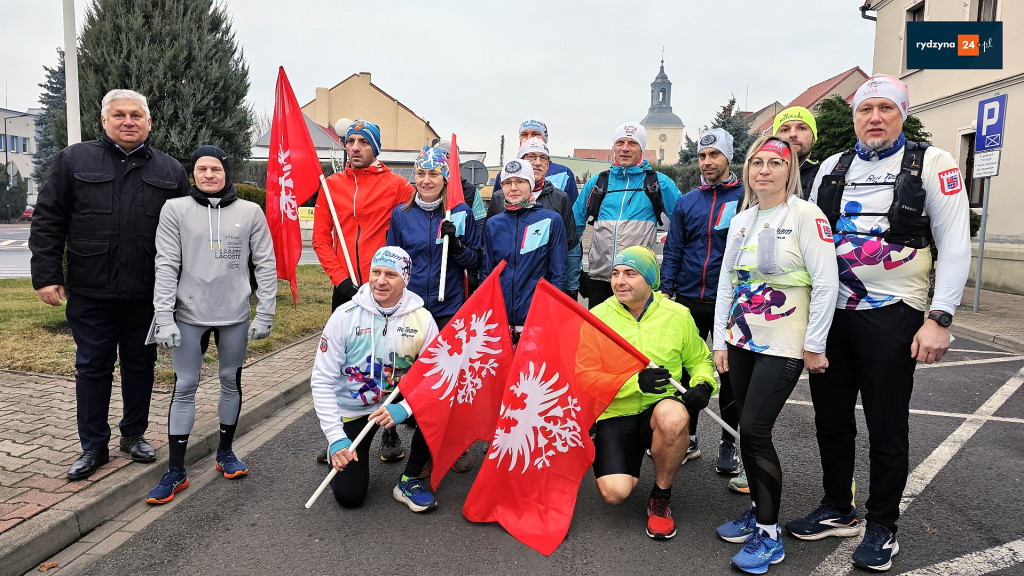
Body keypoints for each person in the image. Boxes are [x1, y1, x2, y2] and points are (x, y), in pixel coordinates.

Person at [788, 74, 971, 572]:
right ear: (854, 118)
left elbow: (955, 245)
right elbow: (808, 240)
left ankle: (882, 524)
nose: (875, 118)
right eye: (866, 110)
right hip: (831, 314)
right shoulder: (831, 165)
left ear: (902, 114)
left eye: (886, 109)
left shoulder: (934, 163)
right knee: (830, 419)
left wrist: (940, 318)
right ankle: (837, 507)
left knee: (886, 424)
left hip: (895, 313)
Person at [29, 89, 191, 480]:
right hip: (91, 288)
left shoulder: (170, 172)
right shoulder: (74, 160)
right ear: (104, 121)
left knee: (141, 365)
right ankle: (93, 446)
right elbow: (49, 219)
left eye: (136, 115)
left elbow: (189, 233)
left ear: (149, 123)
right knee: (92, 367)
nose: (128, 121)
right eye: (119, 114)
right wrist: (47, 275)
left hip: (147, 292)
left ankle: (133, 435)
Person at [710, 136, 839, 574]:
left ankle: (769, 535)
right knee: (748, 430)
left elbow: (826, 283)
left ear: (790, 171)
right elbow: (727, 281)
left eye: (774, 163)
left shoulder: (807, 215)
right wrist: (719, 340)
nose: (764, 170)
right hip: (742, 339)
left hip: (783, 343)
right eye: (756, 162)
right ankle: (757, 512)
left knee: (757, 430)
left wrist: (815, 343)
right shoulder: (742, 219)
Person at [144, 145, 277, 503]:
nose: (208, 175)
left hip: (234, 314)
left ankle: (226, 453)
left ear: (226, 172)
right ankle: (175, 470)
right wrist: (163, 316)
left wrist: (266, 311)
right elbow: (166, 264)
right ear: (193, 173)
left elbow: (265, 263)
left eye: (215, 169)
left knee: (229, 381)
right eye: (201, 169)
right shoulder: (175, 209)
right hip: (188, 315)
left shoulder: (250, 212)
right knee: (185, 385)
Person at [590, 246, 717, 540]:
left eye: (630, 274)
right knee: (614, 494)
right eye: (615, 273)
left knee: (674, 414)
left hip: (658, 412)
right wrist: (636, 383)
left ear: (650, 280)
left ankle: (661, 497)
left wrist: (703, 385)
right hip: (615, 412)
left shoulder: (677, 314)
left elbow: (700, 360)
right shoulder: (598, 317)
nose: (620, 281)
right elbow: (586, 378)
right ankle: (622, 460)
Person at [312, 119, 414, 464]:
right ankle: (338, 435)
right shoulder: (330, 186)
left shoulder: (398, 185)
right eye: (351, 141)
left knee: (387, 362)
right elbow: (321, 240)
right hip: (346, 289)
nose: (355, 148)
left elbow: (414, 226)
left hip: (383, 288)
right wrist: (340, 279)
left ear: (375, 148)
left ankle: (387, 431)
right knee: (345, 366)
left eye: (363, 142)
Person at [310, 246, 441, 512]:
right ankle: (334, 447)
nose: (380, 280)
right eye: (376, 272)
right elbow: (322, 380)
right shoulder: (344, 316)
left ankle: (409, 480)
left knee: (443, 407)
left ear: (405, 279)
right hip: (354, 409)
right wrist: (336, 437)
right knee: (350, 497)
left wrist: (405, 408)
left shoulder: (423, 319)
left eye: (391, 274)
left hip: (397, 402)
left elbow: (435, 378)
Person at [387, 145, 481, 472]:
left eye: (434, 174)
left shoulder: (461, 214)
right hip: (411, 310)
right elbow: (392, 263)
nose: (427, 180)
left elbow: (476, 262)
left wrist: (456, 246)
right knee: (409, 375)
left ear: (445, 179)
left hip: (448, 309)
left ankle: (445, 443)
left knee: (444, 380)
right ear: (415, 176)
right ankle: (398, 431)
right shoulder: (401, 215)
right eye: (421, 174)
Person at [659, 127, 744, 479]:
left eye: (714, 156)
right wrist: (666, 290)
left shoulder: (745, 197)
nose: (707, 162)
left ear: (728, 158)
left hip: (731, 301)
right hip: (690, 298)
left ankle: (728, 441)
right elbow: (674, 249)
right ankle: (689, 436)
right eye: (703, 156)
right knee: (686, 372)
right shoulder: (686, 201)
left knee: (730, 374)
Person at [573, 122, 681, 308]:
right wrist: (577, 270)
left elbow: (683, 227)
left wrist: (669, 277)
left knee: (635, 336)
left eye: (632, 143)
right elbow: (574, 227)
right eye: (620, 143)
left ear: (642, 149)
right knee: (599, 336)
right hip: (601, 279)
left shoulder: (658, 183)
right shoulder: (597, 183)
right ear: (613, 147)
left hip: (638, 280)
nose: (625, 148)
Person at [481, 159, 566, 335]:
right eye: (507, 182)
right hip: (500, 322)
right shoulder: (493, 224)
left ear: (530, 184)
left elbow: (558, 274)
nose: (513, 188)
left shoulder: (551, 220)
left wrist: (549, 312)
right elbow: (487, 275)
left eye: (520, 181)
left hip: (536, 321)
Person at [486, 137, 579, 298]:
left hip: (538, 298)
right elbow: (488, 262)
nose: (514, 188)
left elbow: (567, 250)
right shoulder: (497, 205)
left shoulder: (558, 204)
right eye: (508, 183)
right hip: (505, 299)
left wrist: (567, 289)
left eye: (542, 157)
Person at [772, 106, 821, 200]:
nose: (793, 134)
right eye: (785, 130)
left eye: (801, 128)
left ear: (813, 138)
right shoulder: (761, 178)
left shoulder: (824, 177)